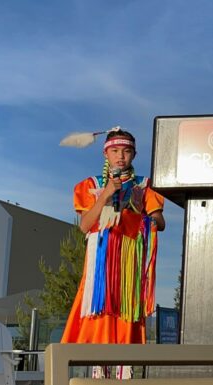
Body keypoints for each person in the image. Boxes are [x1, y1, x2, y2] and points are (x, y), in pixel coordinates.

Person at [61, 127, 165, 355]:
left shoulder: (145, 185)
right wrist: (106, 194)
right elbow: (85, 225)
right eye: (115, 150)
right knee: (99, 314)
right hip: (100, 266)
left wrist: (146, 217)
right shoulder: (91, 185)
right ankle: (95, 372)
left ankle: (124, 376)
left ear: (134, 155)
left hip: (129, 265)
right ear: (105, 154)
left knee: (127, 316)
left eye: (126, 151)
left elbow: (160, 222)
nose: (120, 156)